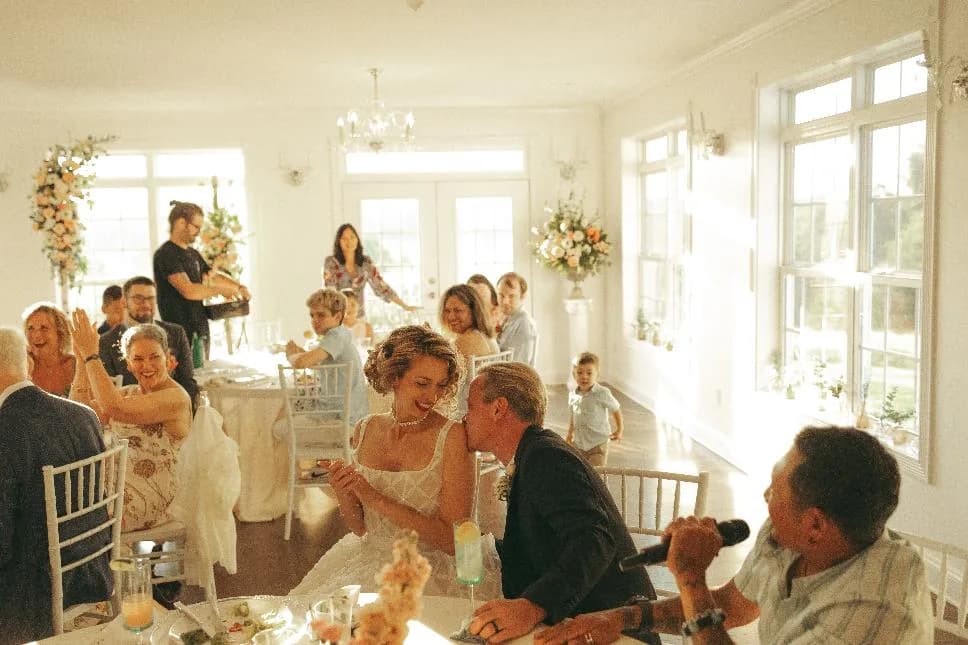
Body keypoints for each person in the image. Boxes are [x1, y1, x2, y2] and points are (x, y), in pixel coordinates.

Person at [535, 426, 934, 645]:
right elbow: (734, 604)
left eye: (775, 491)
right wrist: (624, 617)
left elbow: (707, 601)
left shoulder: (871, 616)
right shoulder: (789, 537)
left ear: (815, 525)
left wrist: (691, 577)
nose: (765, 497)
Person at [289, 325, 502, 600]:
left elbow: (452, 542)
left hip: (429, 572)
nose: (432, 396)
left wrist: (373, 496)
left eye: (440, 385)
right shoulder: (366, 429)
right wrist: (343, 487)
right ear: (394, 377)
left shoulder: (452, 437)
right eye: (422, 383)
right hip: (369, 562)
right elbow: (362, 528)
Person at [464, 362, 659, 645]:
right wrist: (483, 548)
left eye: (470, 406)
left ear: (498, 408)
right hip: (577, 620)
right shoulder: (532, 453)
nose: (465, 417)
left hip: (609, 629)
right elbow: (542, 545)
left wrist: (533, 606)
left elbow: (594, 540)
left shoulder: (546, 457)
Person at [0, 327, 112, 644]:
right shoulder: (83, 415)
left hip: (36, 586)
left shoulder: (4, 429)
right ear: (26, 363)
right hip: (93, 566)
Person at [69, 311, 192, 531]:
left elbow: (116, 408)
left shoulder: (176, 398)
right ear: (128, 365)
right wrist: (80, 358)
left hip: (150, 496)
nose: (147, 365)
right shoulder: (127, 393)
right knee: (61, 506)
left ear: (169, 359)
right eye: (138, 359)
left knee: (72, 516)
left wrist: (91, 355)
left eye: (155, 356)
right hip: (111, 488)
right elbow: (79, 416)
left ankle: (100, 562)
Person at [153, 200, 251, 357]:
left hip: (199, 328)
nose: (198, 232)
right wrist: (221, 290)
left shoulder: (193, 254)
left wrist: (238, 287)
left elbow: (211, 277)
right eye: (196, 227)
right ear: (181, 223)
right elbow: (189, 291)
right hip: (178, 334)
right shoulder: (166, 254)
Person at [99, 276, 199, 409]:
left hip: (174, 410)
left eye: (150, 298)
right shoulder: (106, 341)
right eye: (138, 298)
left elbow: (188, 382)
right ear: (124, 302)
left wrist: (178, 410)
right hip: (131, 415)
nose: (145, 304)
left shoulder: (176, 333)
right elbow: (108, 390)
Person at [285, 288, 367, 426]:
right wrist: (302, 353)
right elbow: (323, 364)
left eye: (321, 315)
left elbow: (300, 363)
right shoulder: (341, 334)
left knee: (277, 428)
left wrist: (292, 356)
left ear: (337, 316)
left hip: (341, 419)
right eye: (312, 315)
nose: (314, 320)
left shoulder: (336, 336)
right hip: (350, 415)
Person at [322, 223, 417, 320]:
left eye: (352, 237)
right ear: (338, 242)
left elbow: (381, 286)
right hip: (337, 317)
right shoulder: (331, 262)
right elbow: (330, 291)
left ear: (357, 240)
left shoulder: (366, 263)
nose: (349, 241)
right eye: (344, 238)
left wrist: (404, 306)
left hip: (358, 317)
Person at [440, 283, 500, 417]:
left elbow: (441, 379)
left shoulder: (465, 340)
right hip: (486, 410)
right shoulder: (487, 337)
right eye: (447, 310)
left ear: (474, 311)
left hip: (464, 411)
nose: (450, 317)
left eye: (458, 310)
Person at [566, 352, 623, 467]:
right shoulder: (573, 395)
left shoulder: (602, 393)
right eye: (580, 372)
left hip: (598, 444)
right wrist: (569, 433)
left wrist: (619, 429)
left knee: (597, 473)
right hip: (579, 443)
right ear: (574, 374)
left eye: (589, 373)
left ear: (597, 374)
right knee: (581, 471)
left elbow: (616, 409)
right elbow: (573, 416)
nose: (584, 376)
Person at [22, 301, 75, 397]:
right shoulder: (20, 366)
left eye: (44, 328)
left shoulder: (75, 364)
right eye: (31, 328)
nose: (37, 335)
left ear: (60, 333)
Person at [496, 272, 538, 366]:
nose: (505, 301)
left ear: (523, 296)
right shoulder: (508, 319)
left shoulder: (523, 322)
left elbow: (519, 365)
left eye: (512, 296)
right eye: (501, 295)